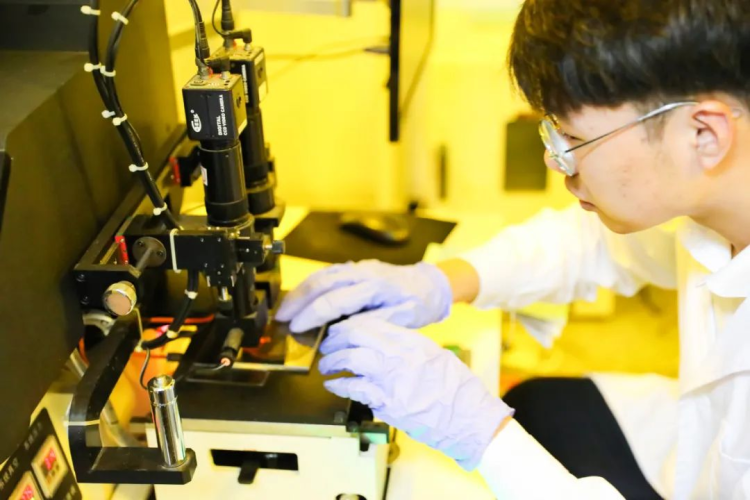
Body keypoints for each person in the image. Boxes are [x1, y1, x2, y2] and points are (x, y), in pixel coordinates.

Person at [276, 0, 750, 497]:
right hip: (687, 448)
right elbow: (595, 243)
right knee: (537, 405)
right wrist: (439, 281)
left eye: (572, 136)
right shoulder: (713, 201)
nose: (555, 160)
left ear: (703, 133)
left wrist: (482, 436)